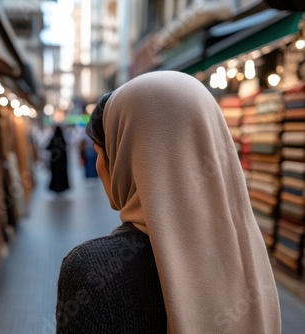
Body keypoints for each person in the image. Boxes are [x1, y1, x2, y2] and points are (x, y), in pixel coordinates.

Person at [56, 71, 281, 333]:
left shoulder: (90, 271)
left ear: (127, 156)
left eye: (99, 152)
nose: (99, 164)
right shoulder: (251, 256)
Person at [46, 125, 70, 193]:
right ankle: (62, 188)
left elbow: (47, 147)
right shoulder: (62, 140)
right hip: (62, 163)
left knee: (56, 176)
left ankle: (56, 188)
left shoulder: (53, 140)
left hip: (55, 163)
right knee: (61, 176)